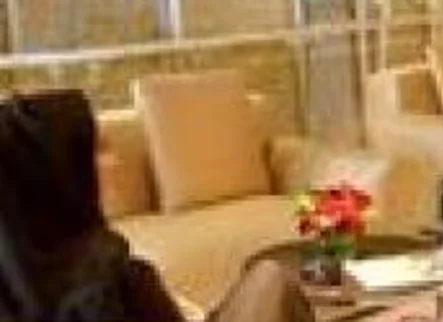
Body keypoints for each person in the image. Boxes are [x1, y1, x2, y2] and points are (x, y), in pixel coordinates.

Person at [0, 90, 314, 322]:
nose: (114, 162)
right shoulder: (113, 281)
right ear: (60, 174)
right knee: (271, 280)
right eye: (98, 151)